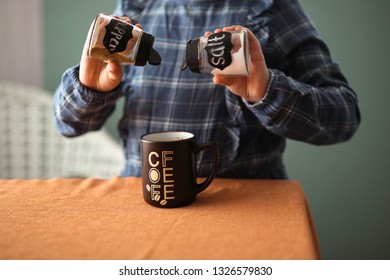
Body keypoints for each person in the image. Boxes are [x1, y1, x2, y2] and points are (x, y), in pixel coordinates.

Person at [53, 0, 360, 179]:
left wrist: (266, 90)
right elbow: (66, 123)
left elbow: (344, 117)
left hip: (249, 208)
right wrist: (89, 86)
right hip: (143, 203)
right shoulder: (137, 6)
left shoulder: (271, 9)